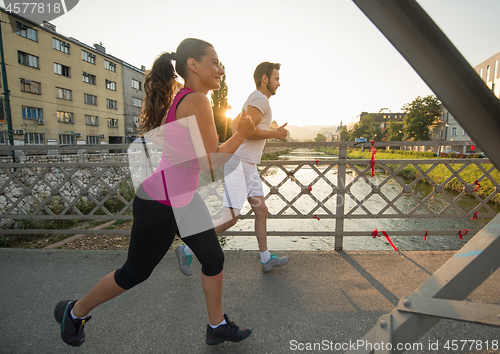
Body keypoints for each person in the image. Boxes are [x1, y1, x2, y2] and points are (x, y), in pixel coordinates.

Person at [54, 38, 256, 347]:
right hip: (161, 204)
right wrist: (243, 132)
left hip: (183, 200)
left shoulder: (187, 98)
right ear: (193, 64)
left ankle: (216, 325)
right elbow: (211, 165)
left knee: (214, 259)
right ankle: (75, 312)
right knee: (134, 273)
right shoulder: (196, 100)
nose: (220, 69)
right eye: (214, 62)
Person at [177, 62, 289, 275]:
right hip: (239, 164)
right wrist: (275, 134)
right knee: (231, 218)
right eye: (276, 78)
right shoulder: (261, 99)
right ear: (265, 79)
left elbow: (233, 125)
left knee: (261, 211)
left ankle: (265, 259)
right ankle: (187, 249)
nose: (279, 83)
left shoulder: (253, 99)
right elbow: (245, 130)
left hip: (248, 166)